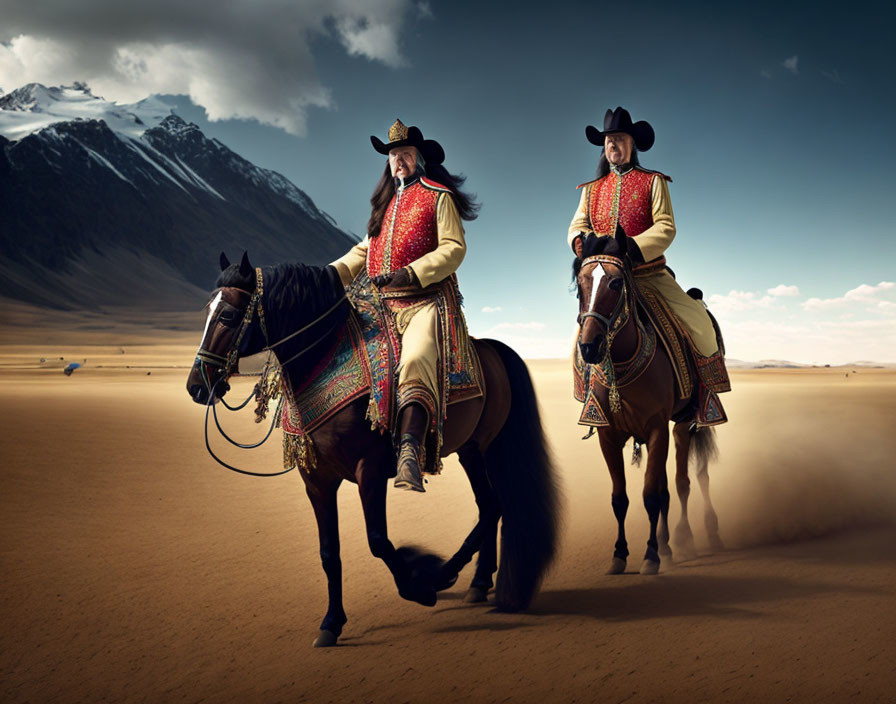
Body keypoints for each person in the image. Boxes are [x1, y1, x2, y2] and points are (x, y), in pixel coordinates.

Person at [331, 119, 479, 491]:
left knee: (416, 359)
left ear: (420, 159)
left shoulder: (438, 196)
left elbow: (453, 249)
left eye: (405, 154)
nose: (399, 160)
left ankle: (410, 452)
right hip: (379, 305)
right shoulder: (385, 205)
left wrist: (411, 275)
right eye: (394, 154)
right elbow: (364, 252)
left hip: (424, 301)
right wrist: (330, 276)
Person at [568, 106, 721, 358]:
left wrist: (631, 246)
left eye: (619, 139)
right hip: (604, 280)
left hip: (648, 274)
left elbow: (665, 226)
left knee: (700, 323)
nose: (613, 145)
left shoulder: (653, 181)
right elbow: (578, 223)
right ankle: (588, 395)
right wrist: (579, 239)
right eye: (609, 140)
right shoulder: (591, 189)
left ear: (632, 144)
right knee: (579, 340)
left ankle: (704, 393)